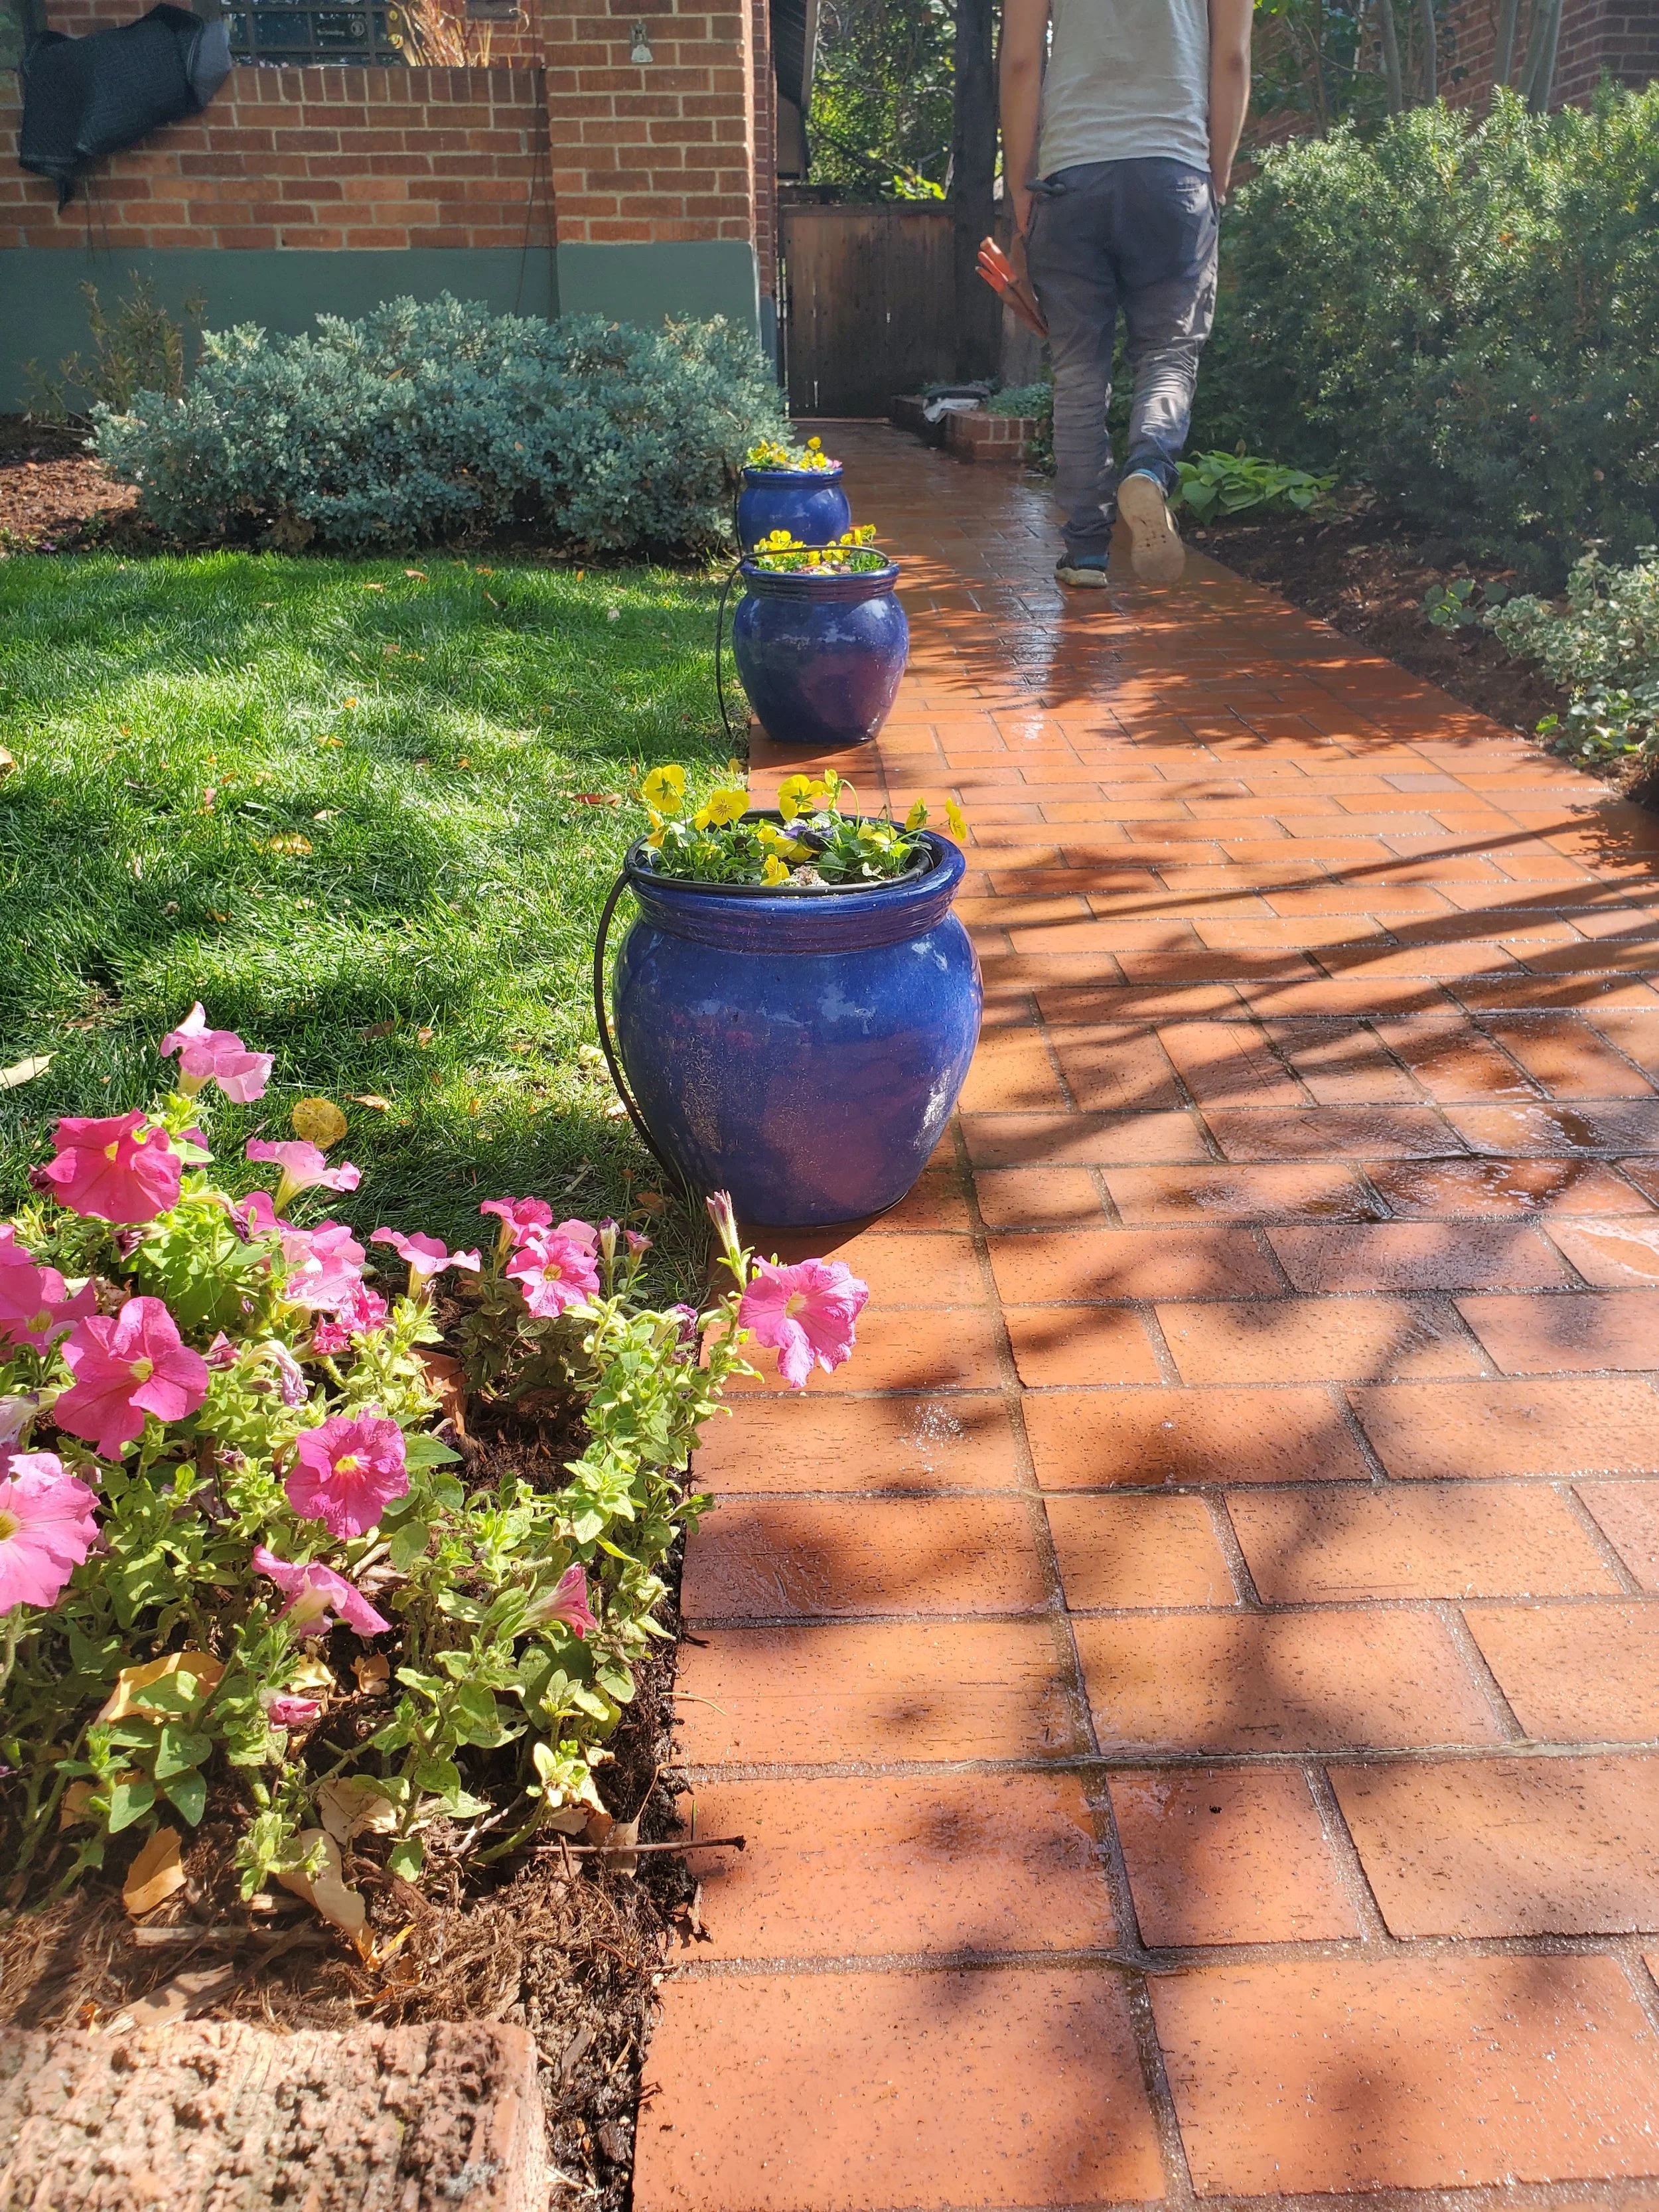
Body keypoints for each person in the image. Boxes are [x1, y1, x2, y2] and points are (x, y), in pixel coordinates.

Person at [999, 0, 1252, 586]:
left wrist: (1019, 189)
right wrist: (1217, 175)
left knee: (1079, 373)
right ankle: (1148, 465)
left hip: (1070, 180)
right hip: (1174, 172)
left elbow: (1019, 61)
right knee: (1168, 352)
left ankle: (1086, 550)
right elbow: (1233, 56)